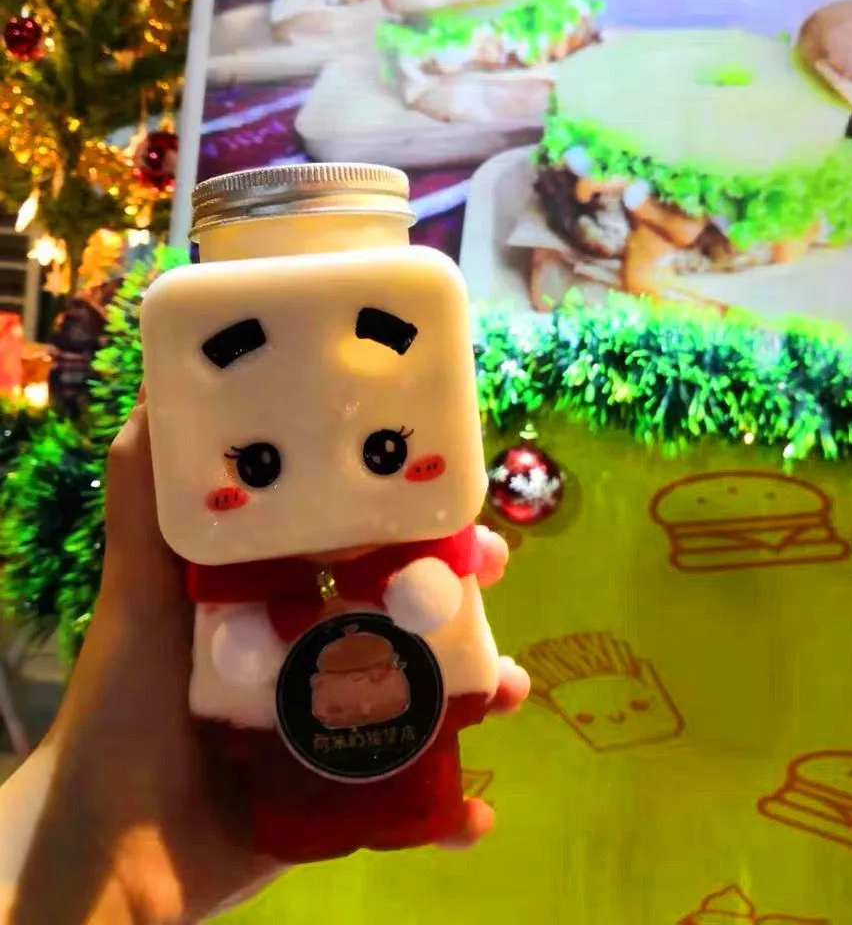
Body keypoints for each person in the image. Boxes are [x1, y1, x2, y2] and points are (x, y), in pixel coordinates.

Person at [0, 394, 529, 924]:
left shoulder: (426, 553)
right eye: (255, 464)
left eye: (386, 450)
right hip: (269, 771)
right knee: (290, 799)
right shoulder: (233, 572)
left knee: (418, 790)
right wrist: (105, 855)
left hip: (409, 738)